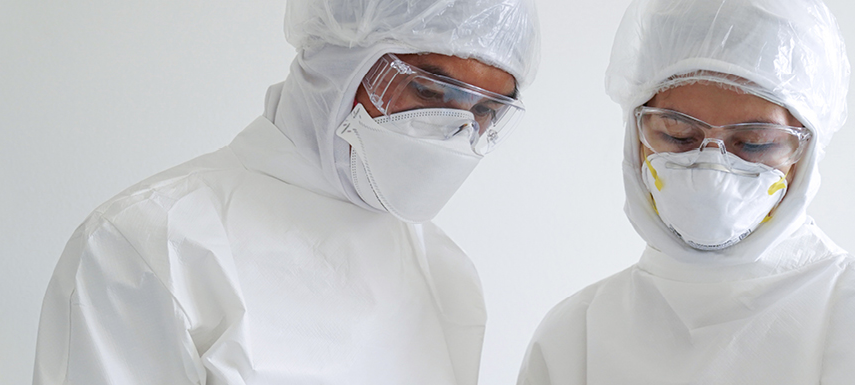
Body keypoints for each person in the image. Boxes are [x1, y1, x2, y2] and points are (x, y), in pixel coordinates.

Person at [32, 1, 539, 384]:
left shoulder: (447, 275)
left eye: (486, 112)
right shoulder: (149, 244)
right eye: (428, 93)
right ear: (338, 60)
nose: (456, 132)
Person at [517, 0, 855, 384]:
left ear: (804, 151)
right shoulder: (575, 338)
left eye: (754, 143)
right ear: (635, 135)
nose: (712, 165)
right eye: (679, 135)